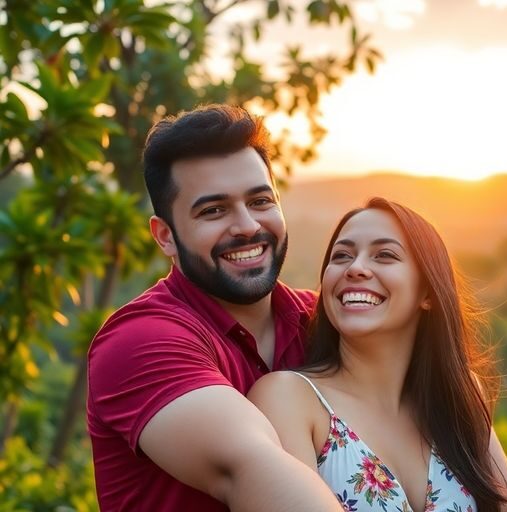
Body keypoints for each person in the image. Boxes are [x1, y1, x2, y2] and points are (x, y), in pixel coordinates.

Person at [86, 104, 342, 511]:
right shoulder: (137, 342)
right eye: (213, 210)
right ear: (165, 236)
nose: (247, 226)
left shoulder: (326, 321)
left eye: (260, 201)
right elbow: (246, 471)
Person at [248, 198, 507, 511]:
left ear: (427, 292)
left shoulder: (458, 396)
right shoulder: (290, 399)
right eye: (342, 256)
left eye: (385, 255)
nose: (355, 268)